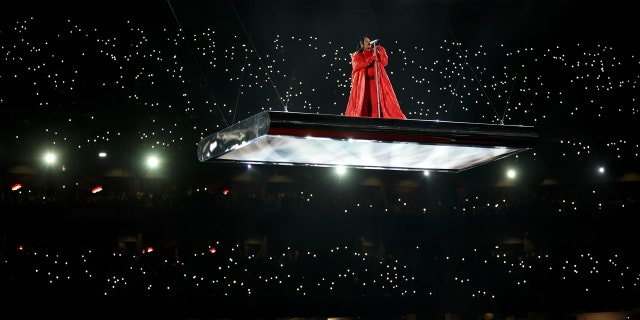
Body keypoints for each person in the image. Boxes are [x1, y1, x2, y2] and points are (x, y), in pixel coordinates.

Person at [344, 37, 406, 119]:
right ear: (362, 44)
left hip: (376, 81)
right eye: (366, 41)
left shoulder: (375, 52)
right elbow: (358, 65)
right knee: (364, 103)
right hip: (364, 84)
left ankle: (376, 120)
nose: (369, 42)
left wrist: (382, 51)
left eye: (369, 41)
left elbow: (385, 62)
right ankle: (364, 121)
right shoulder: (357, 55)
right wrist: (371, 58)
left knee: (376, 102)